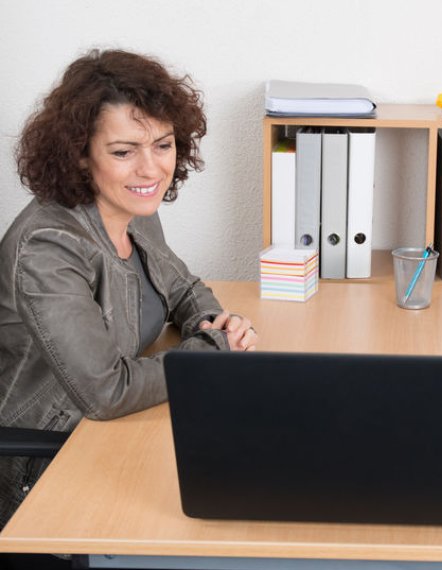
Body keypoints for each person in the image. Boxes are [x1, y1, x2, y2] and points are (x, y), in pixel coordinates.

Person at [0, 49, 258, 529]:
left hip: (117, 436)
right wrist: (212, 351)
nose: (151, 170)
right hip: (49, 462)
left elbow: (183, 288)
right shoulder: (48, 247)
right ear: (79, 153)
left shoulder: (131, 211)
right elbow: (105, 393)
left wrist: (211, 322)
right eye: (123, 152)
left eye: (163, 145)